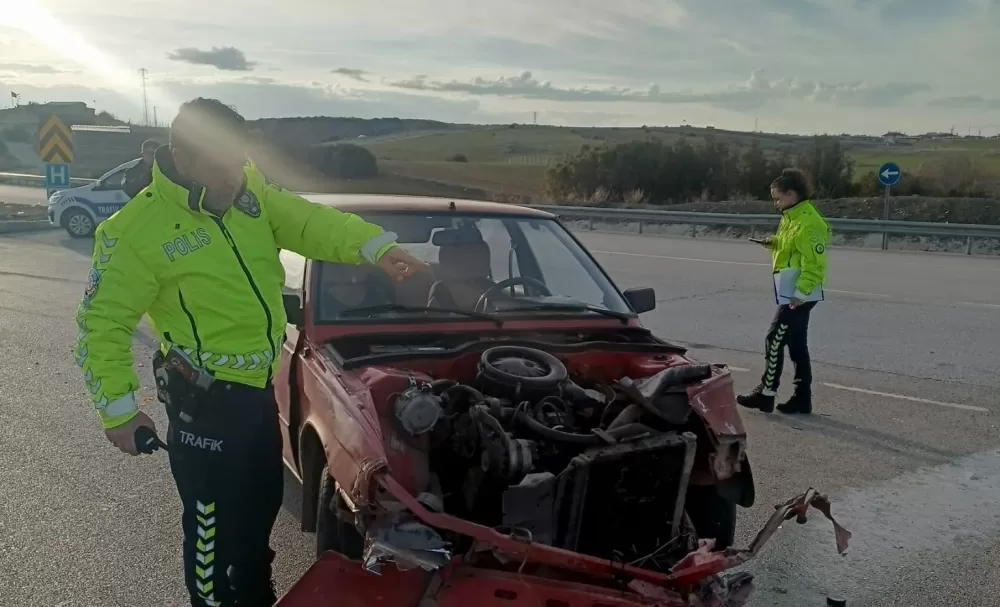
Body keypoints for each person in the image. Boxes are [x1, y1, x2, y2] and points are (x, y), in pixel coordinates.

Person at [72, 97, 427, 607]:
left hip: (260, 397)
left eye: (238, 162)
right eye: (220, 166)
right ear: (183, 158)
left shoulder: (248, 194)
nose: (233, 178)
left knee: (258, 516)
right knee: (211, 536)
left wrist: (375, 247)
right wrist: (118, 411)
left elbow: (308, 222)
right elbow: (99, 325)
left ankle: (256, 596)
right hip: (205, 409)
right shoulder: (133, 233)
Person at [737, 168, 829, 416]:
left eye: (778, 198)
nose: (775, 204)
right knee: (797, 345)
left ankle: (766, 393)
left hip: (800, 294)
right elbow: (791, 250)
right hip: (791, 288)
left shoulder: (809, 222)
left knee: (774, 339)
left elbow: (815, 264)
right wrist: (773, 243)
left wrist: (800, 293)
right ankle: (802, 398)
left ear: (791, 193)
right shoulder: (791, 217)